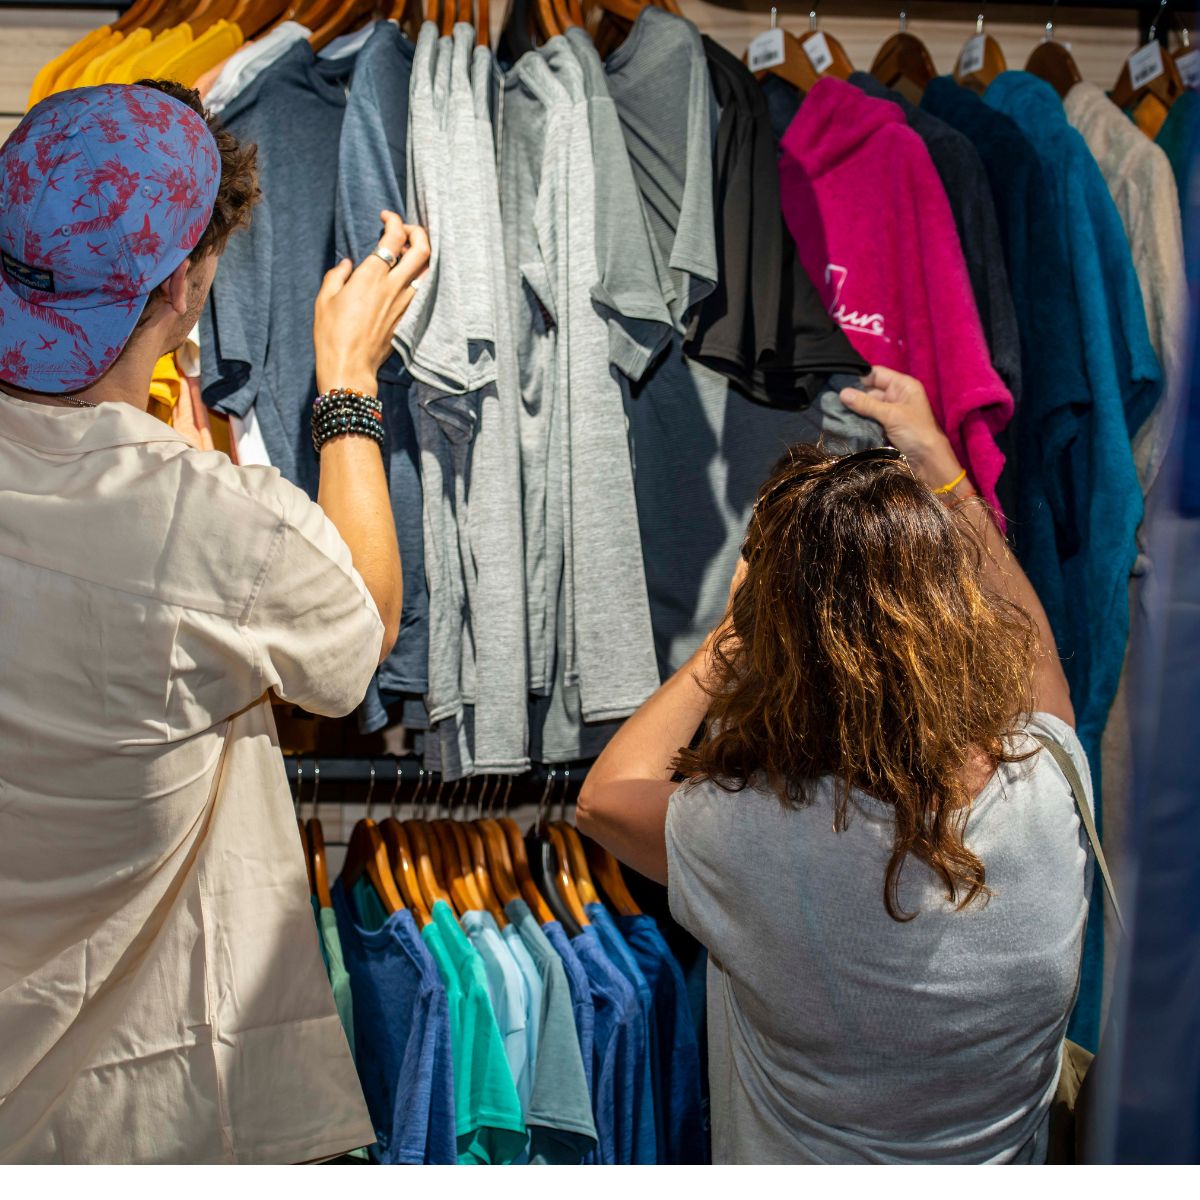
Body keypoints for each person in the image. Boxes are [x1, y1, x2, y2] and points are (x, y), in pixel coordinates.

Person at [0, 81, 428, 1163]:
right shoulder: (209, 527)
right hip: (137, 1119)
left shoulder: (194, 520)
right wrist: (346, 385)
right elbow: (358, 634)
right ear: (186, 288)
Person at [577, 365, 1093, 1164]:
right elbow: (1044, 684)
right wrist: (938, 464)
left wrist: (733, 636)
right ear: (954, 611)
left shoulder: (749, 834)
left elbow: (605, 798)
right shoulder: (1050, 791)